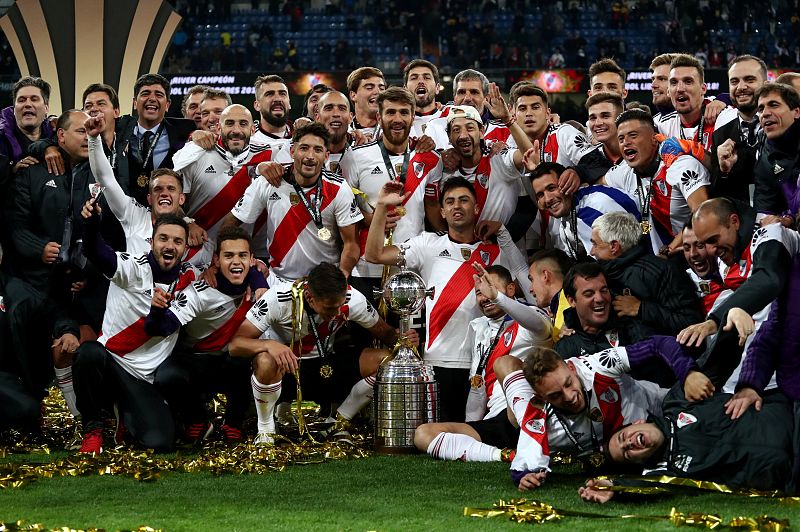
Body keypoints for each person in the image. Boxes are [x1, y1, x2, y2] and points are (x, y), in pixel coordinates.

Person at [365, 176, 526, 421]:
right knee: (439, 440)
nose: (456, 206)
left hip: (485, 362)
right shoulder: (427, 245)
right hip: (439, 362)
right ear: (442, 211)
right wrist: (381, 207)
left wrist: (502, 232)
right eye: (449, 202)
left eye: (464, 200)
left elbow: (525, 286)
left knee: (476, 436)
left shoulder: (497, 252)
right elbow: (374, 254)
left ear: (476, 207)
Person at [229, 262, 408, 443]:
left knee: (387, 361)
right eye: (330, 308)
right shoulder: (278, 297)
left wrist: (404, 338)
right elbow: (235, 345)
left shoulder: (352, 298)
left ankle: (339, 420)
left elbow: (385, 333)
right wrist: (268, 345)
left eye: (340, 305)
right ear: (310, 297)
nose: (337, 312)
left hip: (327, 368)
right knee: (265, 360)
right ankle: (266, 429)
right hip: (288, 371)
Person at [73, 203, 197, 453]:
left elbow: (158, 328)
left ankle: (126, 416)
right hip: (110, 363)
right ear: (151, 242)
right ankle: (93, 428)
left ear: (185, 248)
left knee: (159, 443)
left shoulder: (190, 285)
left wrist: (256, 278)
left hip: (142, 378)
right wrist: (91, 224)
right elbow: (96, 252)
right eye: (163, 238)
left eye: (177, 241)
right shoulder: (132, 267)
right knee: (88, 353)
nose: (169, 246)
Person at [506, 336, 700, 490]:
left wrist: (688, 373)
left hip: (665, 407)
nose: (569, 396)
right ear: (542, 398)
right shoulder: (537, 418)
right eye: (556, 395)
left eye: (568, 383)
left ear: (572, 368)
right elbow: (523, 465)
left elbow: (659, 344)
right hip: (632, 454)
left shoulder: (599, 366)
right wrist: (525, 478)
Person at [414, 264, 552, 461]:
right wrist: (473, 426)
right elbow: (478, 387)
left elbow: (538, 324)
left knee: (504, 363)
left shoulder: (529, 319)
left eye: (490, 288)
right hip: (497, 421)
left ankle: (531, 436)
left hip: (526, 413)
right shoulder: (479, 329)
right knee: (423, 434)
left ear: (510, 290)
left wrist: (499, 298)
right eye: (479, 292)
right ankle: (505, 456)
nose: (485, 297)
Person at [145, 226, 267, 444]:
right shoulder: (198, 292)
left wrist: (259, 276)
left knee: (250, 359)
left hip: (235, 362)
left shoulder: (263, 286)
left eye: (242, 256)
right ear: (216, 261)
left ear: (252, 259)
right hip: (197, 361)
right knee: (167, 376)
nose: (236, 262)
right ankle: (197, 419)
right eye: (229, 256)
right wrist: (156, 309)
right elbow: (161, 328)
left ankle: (234, 421)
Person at [679, 198, 800, 393]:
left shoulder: (771, 234)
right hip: (765, 362)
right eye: (704, 243)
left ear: (734, 222)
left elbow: (769, 279)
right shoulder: (725, 257)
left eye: (713, 239)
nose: (710, 250)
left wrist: (715, 320)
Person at [226, 122, 363, 284]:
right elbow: (231, 225)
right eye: (304, 148)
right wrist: (250, 262)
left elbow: (351, 243)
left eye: (317, 150)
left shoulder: (339, 188)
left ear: (326, 156)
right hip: (276, 280)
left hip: (325, 282)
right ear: (292, 151)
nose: (310, 156)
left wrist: (341, 276)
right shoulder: (268, 182)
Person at [340, 87, 443, 296]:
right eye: (391, 112)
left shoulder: (430, 160)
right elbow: (342, 207)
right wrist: (368, 218)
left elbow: (432, 208)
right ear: (379, 116)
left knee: (410, 329)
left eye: (404, 112)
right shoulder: (355, 157)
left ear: (413, 117)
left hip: (412, 265)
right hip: (367, 268)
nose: (398, 118)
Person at [603, 109, 710, 256]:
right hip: (659, 259)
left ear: (654, 138)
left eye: (633, 136)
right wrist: (577, 172)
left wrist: (669, 251)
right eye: (621, 139)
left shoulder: (680, 165)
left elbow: (702, 212)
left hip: (697, 254)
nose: (626, 143)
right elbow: (595, 183)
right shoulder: (625, 172)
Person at [590, 212, 703, 339]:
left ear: (613, 246)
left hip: (664, 354)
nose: (592, 252)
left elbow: (691, 323)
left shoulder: (661, 271)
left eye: (595, 244)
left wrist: (641, 308)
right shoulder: (599, 277)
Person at [439, 93, 532, 226]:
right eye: (456, 130)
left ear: (482, 131)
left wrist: (508, 120)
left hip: (502, 244)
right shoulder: (445, 172)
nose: (463, 135)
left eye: (470, 128)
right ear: (449, 136)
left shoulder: (499, 159)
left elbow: (529, 155)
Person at [530, 162, 640, 260]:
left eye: (551, 188)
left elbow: (626, 256)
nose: (548, 199)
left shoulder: (596, 205)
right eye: (540, 195)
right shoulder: (569, 216)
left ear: (567, 183)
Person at [115, 73, 195, 206]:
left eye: (159, 94)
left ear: (168, 104)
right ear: (135, 103)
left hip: (167, 213)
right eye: (145, 93)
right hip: (125, 215)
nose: (152, 98)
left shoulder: (185, 130)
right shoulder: (119, 128)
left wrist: (198, 134)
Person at [709, 55, 767, 201]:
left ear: (766, 85)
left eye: (749, 80)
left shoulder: (781, 127)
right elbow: (717, 195)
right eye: (734, 81)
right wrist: (723, 171)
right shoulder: (720, 134)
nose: (741, 87)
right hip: (739, 220)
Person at [752, 82, 800, 222]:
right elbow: (765, 210)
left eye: (774, 105)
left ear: (796, 112)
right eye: (761, 109)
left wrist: (789, 218)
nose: (765, 113)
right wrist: (779, 220)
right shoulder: (765, 159)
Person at [251, 75, 293, 151]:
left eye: (282, 94)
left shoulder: (303, 135)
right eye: (269, 94)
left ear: (289, 103)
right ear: (257, 105)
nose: (277, 99)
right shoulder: (247, 141)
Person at [403, 59, 443, 138]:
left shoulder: (451, 118)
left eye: (427, 78)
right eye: (414, 78)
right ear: (405, 89)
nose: (421, 81)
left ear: (437, 88)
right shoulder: (398, 124)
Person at [347, 67, 386, 141]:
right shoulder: (344, 134)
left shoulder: (394, 131)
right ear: (353, 95)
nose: (378, 92)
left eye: (382, 88)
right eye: (369, 88)